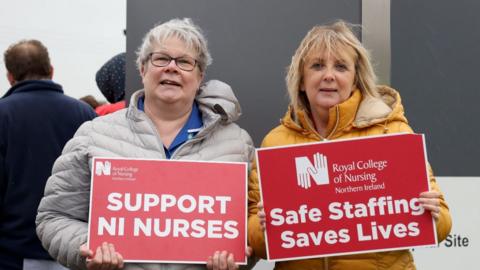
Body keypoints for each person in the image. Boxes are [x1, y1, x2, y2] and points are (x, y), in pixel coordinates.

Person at [36, 18, 254, 270]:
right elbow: (54, 217)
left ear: (199, 75)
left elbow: (254, 228)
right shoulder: (94, 135)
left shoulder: (237, 143)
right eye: (160, 58)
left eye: (184, 62)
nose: (172, 68)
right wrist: (86, 246)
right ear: (142, 69)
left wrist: (241, 253)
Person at [247, 21, 452, 269]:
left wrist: (433, 213)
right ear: (302, 80)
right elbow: (255, 243)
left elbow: (441, 227)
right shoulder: (275, 143)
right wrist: (263, 226)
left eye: (341, 66)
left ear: (355, 80)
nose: (329, 75)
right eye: (317, 65)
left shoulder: (392, 133)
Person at [0, 39, 96, 269]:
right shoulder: (86, 114)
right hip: (74, 248)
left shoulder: (3, 115)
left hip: (12, 252)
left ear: (10, 76)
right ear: (51, 71)